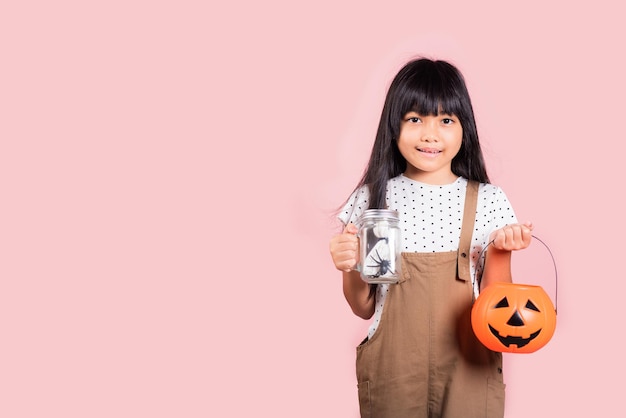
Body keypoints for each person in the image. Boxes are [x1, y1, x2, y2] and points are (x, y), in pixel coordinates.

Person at [329, 57, 533, 418]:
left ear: (464, 129)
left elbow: (496, 307)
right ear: (394, 127)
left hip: (469, 371)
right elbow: (363, 307)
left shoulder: (488, 200)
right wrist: (349, 265)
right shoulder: (372, 199)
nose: (430, 134)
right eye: (414, 119)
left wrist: (502, 252)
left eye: (446, 120)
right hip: (393, 372)